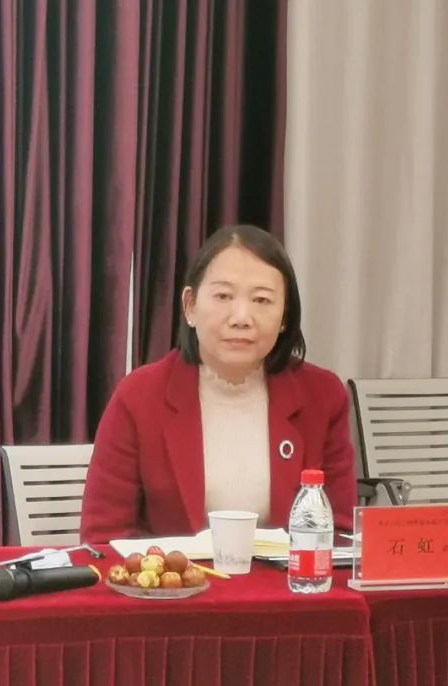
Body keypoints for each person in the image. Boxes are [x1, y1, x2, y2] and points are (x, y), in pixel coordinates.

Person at [80, 224, 356, 540]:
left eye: (262, 300)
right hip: (173, 574)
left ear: (284, 317)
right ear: (190, 306)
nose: (241, 317)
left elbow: (340, 536)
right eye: (223, 296)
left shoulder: (322, 397)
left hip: (288, 574)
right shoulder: (139, 397)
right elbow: (103, 537)